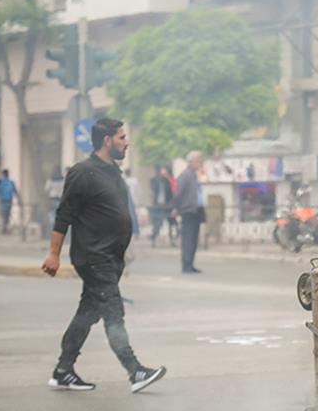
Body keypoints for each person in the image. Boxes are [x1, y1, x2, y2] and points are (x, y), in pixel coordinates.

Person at [41, 117, 165, 393]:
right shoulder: (83, 172)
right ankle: (135, 371)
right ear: (107, 141)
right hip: (93, 257)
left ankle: (63, 370)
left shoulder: (113, 171)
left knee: (87, 313)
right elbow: (64, 214)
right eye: (122, 137)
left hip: (110, 257)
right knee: (113, 313)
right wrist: (53, 254)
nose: (126, 142)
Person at [172, 151, 204, 274]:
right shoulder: (185, 175)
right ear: (191, 162)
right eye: (198, 161)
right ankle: (186, 264)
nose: (200, 164)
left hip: (196, 210)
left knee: (194, 238)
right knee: (188, 238)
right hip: (188, 210)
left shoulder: (194, 175)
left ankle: (190, 263)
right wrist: (176, 207)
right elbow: (178, 193)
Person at [149, 165, 174, 247]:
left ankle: (171, 240)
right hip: (157, 205)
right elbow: (152, 191)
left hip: (166, 205)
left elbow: (170, 194)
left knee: (171, 222)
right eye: (162, 171)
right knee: (157, 223)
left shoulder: (167, 181)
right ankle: (153, 239)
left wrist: (171, 204)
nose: (164, 173)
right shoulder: (154, 180)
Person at [0, 169, 20, 233]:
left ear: (3, 174)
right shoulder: (10, 182)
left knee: (4, 215)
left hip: (3, 201)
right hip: (8, 201)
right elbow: (15, 191)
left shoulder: (0, 182)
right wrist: (19, 200)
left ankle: (4, 228)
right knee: (6, 215)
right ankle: (5, 228)